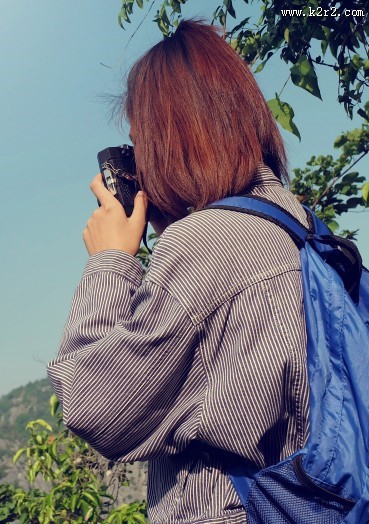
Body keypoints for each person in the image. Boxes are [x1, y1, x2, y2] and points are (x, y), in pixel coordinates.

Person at [46, 20, 309, 523]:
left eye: (140, 142)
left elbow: (92, 403)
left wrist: (111, 261)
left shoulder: (211, 243)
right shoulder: (304, 232)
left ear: (170, 138)